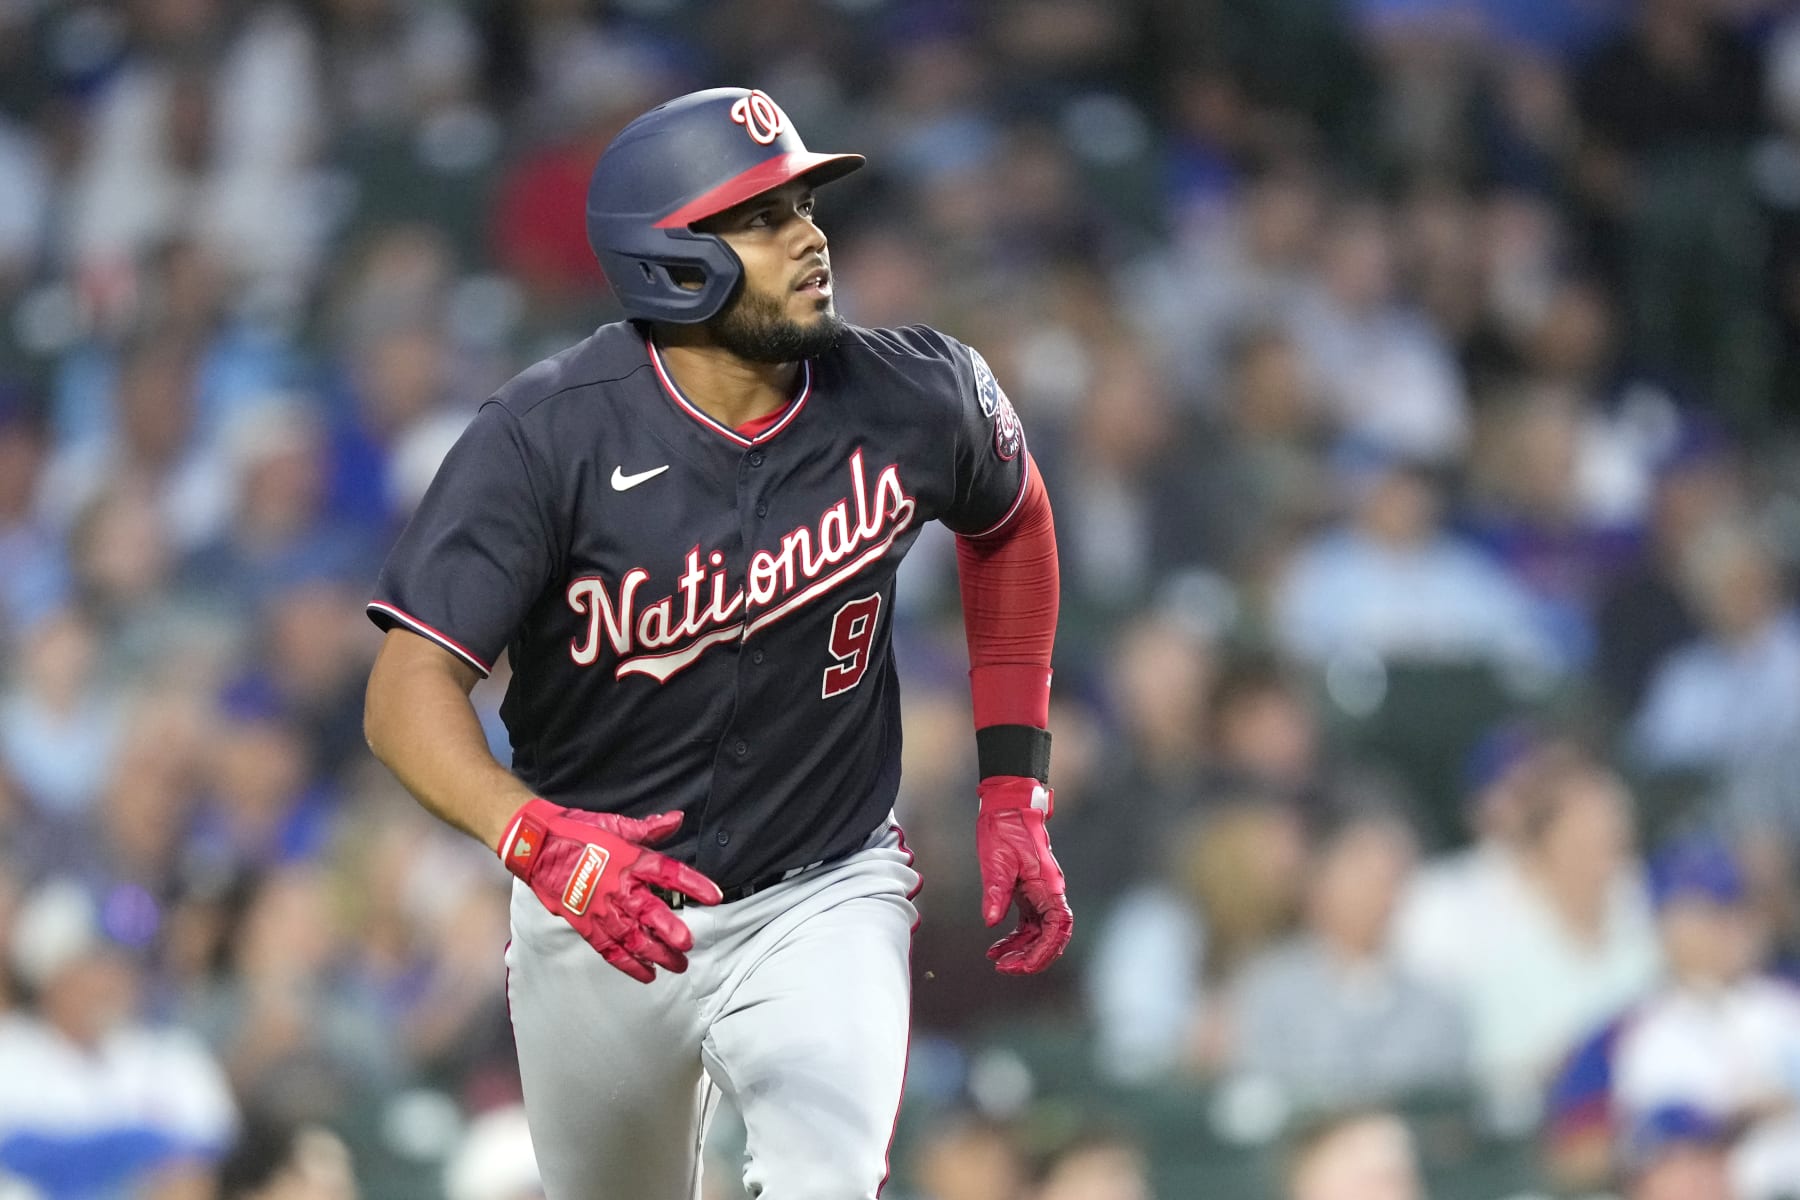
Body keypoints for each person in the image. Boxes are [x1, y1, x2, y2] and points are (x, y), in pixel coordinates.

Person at [361, 87, 1072, 1200]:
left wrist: (1012, 790)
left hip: (823, 883)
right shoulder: (545, 437)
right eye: (762, 217)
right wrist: (533, 839)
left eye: (804, 205)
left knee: (826, 1176)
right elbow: (406, 691)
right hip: (603, 908)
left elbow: (1012, 520)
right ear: (668, 261)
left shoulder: (912, 392)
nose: (811, 237)